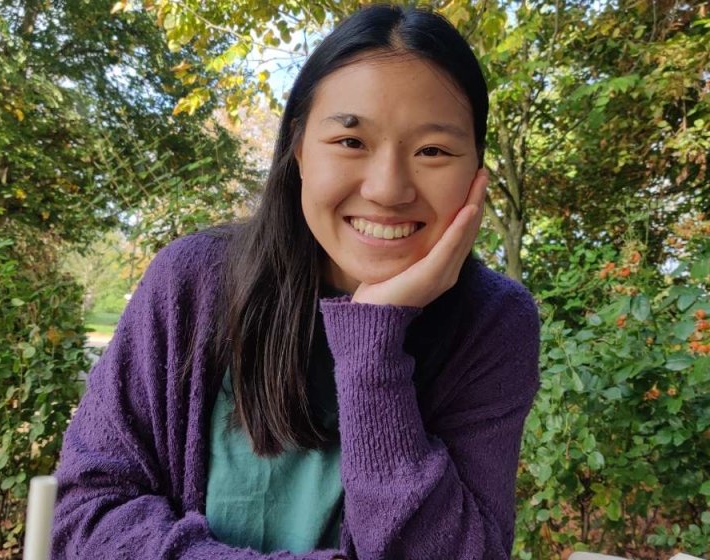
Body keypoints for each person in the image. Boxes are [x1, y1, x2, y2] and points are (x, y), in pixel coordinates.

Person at [51, 4, 540, 559]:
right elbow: (86, 517)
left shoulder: (494, 321)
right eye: (351, 142)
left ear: (476, 170)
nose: (387, 188)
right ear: (298, 150)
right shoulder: (192, 282)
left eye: (433, 151)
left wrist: (372, 345)